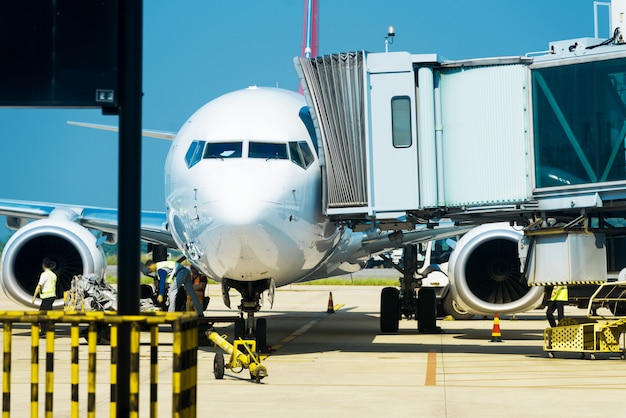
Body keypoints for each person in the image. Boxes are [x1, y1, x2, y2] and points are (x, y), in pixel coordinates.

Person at [32, 258, 58, 333]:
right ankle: (49, 330)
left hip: (46, 297)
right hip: (52, 296)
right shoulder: (53, 275)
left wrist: (34, 297)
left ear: (43, 265)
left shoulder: (44, 275)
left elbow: (39, 286)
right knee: (48, 314)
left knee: (42, 315)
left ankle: (44, 331)